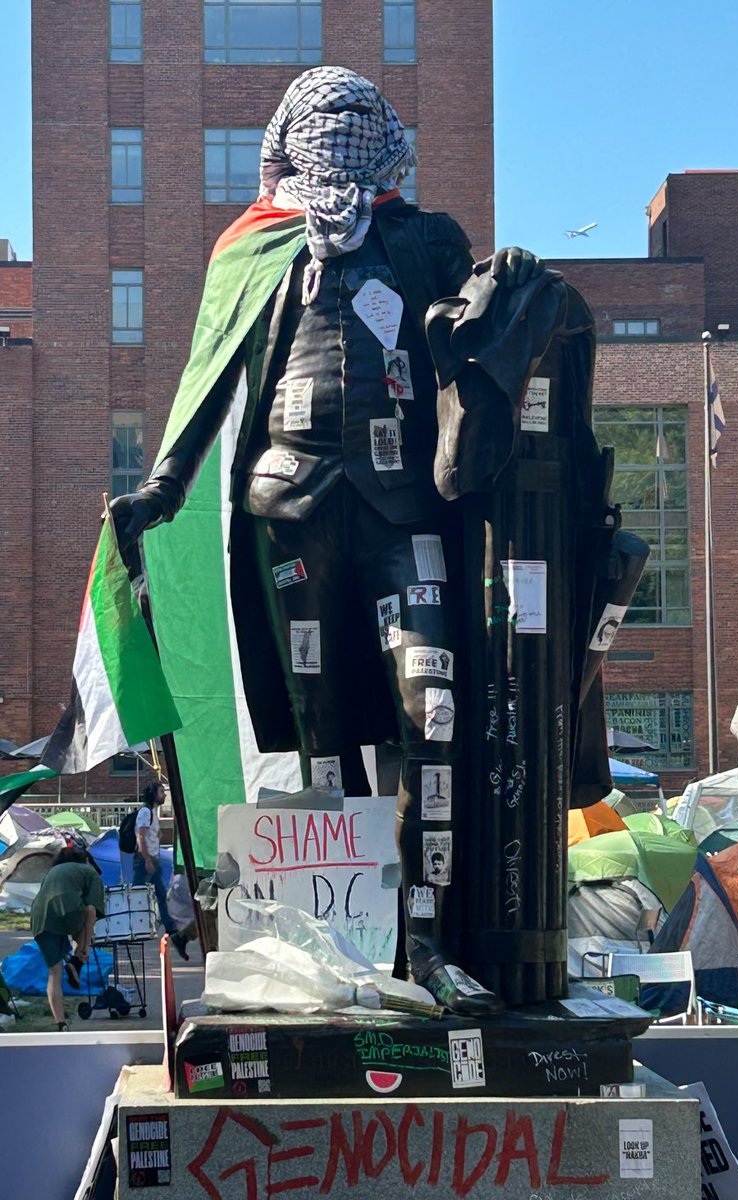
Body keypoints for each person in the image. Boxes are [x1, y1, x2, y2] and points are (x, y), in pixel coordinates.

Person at [111, 67, 611, 1013]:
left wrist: (508, 290)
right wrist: (163, 483)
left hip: (404, 514)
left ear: (384, 135)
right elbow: (210, 373)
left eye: (357, 116)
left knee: (438, 711)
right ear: (286, 134)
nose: (338, 132)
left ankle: (425, 944)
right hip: (289, 509)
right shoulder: (251, 251)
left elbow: (474, 337)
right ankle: (352, 951)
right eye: (320, 117)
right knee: (327, 742)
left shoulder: (424, 238)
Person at [30, 845, 105, 1031]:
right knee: (88, 912)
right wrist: (86, 942)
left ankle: (60, 1023)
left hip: (40, 919)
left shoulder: (54, 871)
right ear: (86, 860)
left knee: (54, 972)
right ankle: (79, 956)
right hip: (68, 915)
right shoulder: (89, 872)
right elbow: (93, 910)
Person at [133, 781, 189, 959]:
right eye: (161, 792)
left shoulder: (152, 813)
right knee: (138, 893)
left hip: (152, 860)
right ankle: (135, 926)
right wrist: (147, 859)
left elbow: (147, 835)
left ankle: (172, 930)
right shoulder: (145, 812)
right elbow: (140, 837)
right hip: (145, 860)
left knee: (160, 895)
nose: (164, 795)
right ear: (153, 794)